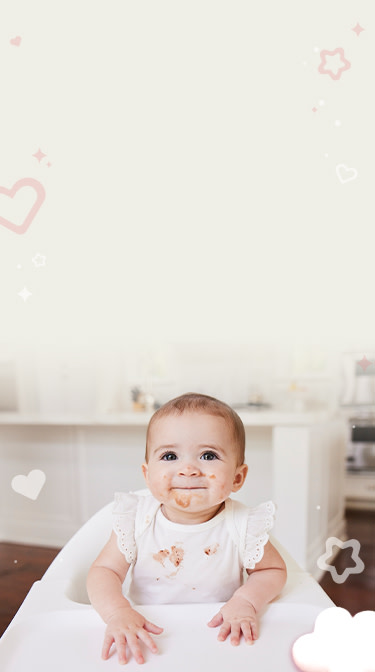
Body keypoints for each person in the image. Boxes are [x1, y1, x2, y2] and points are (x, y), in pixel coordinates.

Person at [87, 393, 287, 665]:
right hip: (150, 634)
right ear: (147, 475)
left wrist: (246, 602)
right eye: (170, 456)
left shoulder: (243, 525)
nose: (189, 469)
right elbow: (104, 572)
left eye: (208, 455)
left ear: (237, 477)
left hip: (217, 636)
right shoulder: (137, 519)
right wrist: (116, 612)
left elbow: (272, 570)